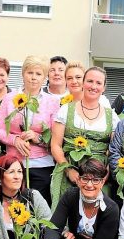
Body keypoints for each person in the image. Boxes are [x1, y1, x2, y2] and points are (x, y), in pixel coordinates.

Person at [0, 55, 59, 204]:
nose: (33, 78)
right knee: (15, 206)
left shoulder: (53, 102)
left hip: (42, 164)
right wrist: (14, 140)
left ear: (44, 78)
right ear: (23, 74)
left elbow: (56, 136)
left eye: (38, 74)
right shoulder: (10, 98)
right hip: (14, 164)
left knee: (37, 208)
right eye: (30, 73)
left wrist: (38, 138)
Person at [51, 66, 118, 208]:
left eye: (98, 83)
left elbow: (114, 149)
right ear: (83, 83)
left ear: (104, 87)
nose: (93, 86)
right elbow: (56, 145)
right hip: (70, 172)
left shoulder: (111, 115)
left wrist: (106, 172)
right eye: (90, 81)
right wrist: (68, 170)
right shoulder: (66, 110)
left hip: (99, 176)